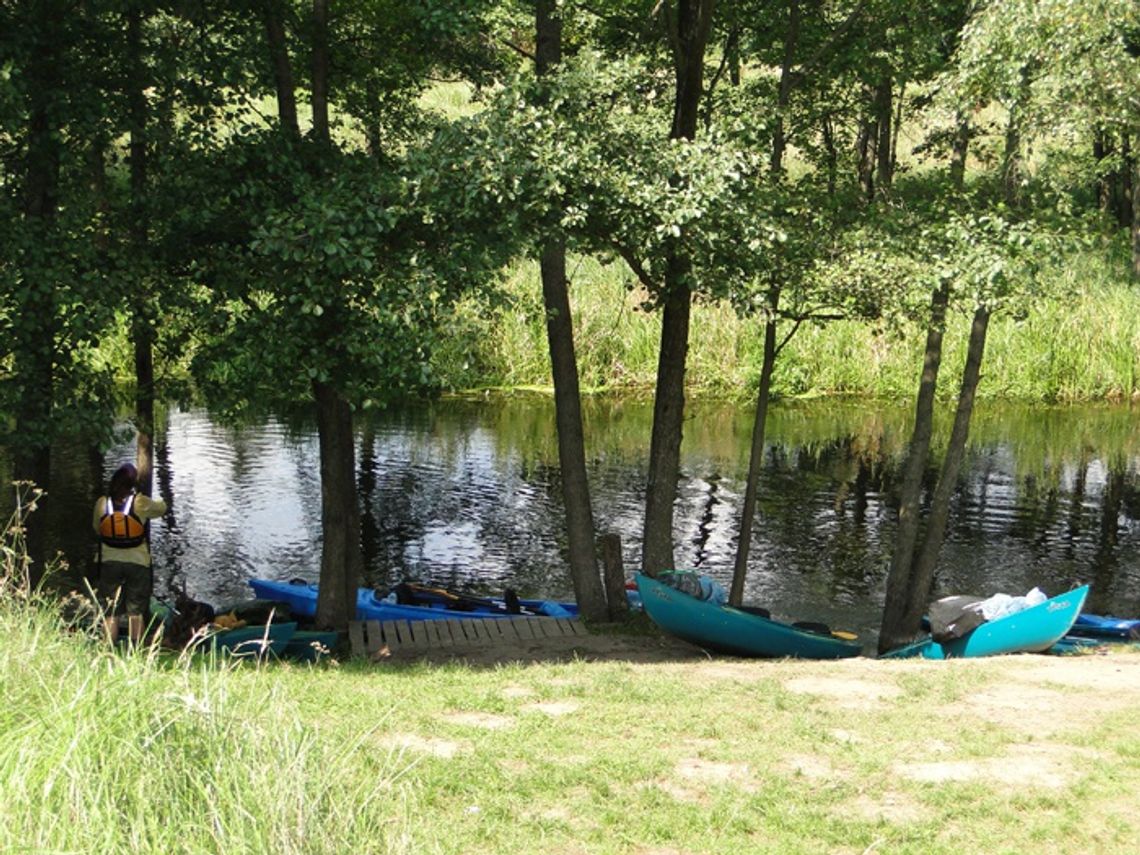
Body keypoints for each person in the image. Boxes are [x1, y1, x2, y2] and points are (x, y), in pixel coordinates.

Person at [93, 463, 167, 644]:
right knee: (136, 611)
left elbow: (97, 528)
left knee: (111, 610)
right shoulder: (140, 502)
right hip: (137, 562)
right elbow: (162, 508)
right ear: (132, 484)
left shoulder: (102, 503)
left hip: (108, 561)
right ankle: (136, 650)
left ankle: (108, 647)